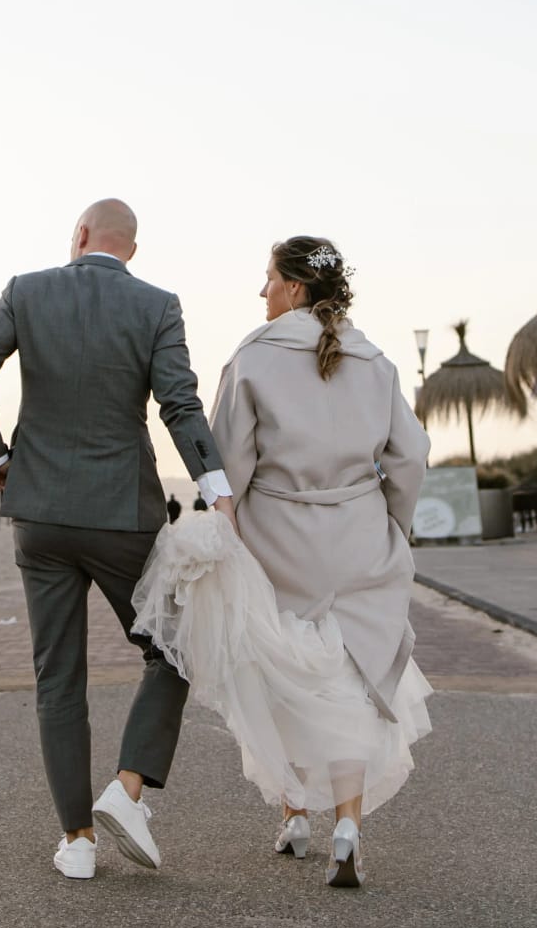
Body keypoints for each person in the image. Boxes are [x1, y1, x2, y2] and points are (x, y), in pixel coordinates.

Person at [135, 234, 433, 888]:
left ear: (294, 287)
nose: (261, 290)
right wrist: (395, 526)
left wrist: (226, 529)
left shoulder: (253, 357)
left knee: (283, 676)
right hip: (359, 538)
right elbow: (411, 455)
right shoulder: (376, 360)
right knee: (348, 680)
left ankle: (295, 812)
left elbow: (227, 461)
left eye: (268, 277)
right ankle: (346, 826)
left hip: (278, 538)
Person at [0, 198, 230, 881]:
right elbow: (179, 402)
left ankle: (77, 840)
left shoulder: (26, 290)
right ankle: (127, 789)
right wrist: (214, 483)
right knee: (173, 645)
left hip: (39, 513)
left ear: (80, 236)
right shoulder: (158, 306)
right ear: (130, 247)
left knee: (58, 674)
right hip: (121, 514)